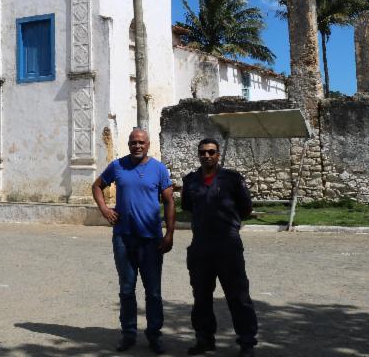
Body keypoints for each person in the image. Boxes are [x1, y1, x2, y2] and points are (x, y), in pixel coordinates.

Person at [92, 128, 175, 354]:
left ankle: (154, 335)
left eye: (141, 142)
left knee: (153, 291)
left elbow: (169, 201)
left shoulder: (158, 169)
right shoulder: (117, 166)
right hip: (124, 238)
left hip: (151, 240)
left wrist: (169, 233)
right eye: (133, 142)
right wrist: (104, 209)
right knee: (127, 290)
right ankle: (128, 334)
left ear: (148, 144)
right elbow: (97, 186)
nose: (137, 146)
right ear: (128, 145)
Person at [181, 138, 258, 357]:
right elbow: (188, 206)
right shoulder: (191, 181)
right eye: (202, 152)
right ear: (199, 155)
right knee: (201, 297)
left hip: (228, 246)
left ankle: (247, 343)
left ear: (218, 155)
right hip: (201, 246)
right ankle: (204, 339)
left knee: (238, 296)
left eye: (211, 152)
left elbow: (245, 207)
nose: (207, 156)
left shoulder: (232, 179)